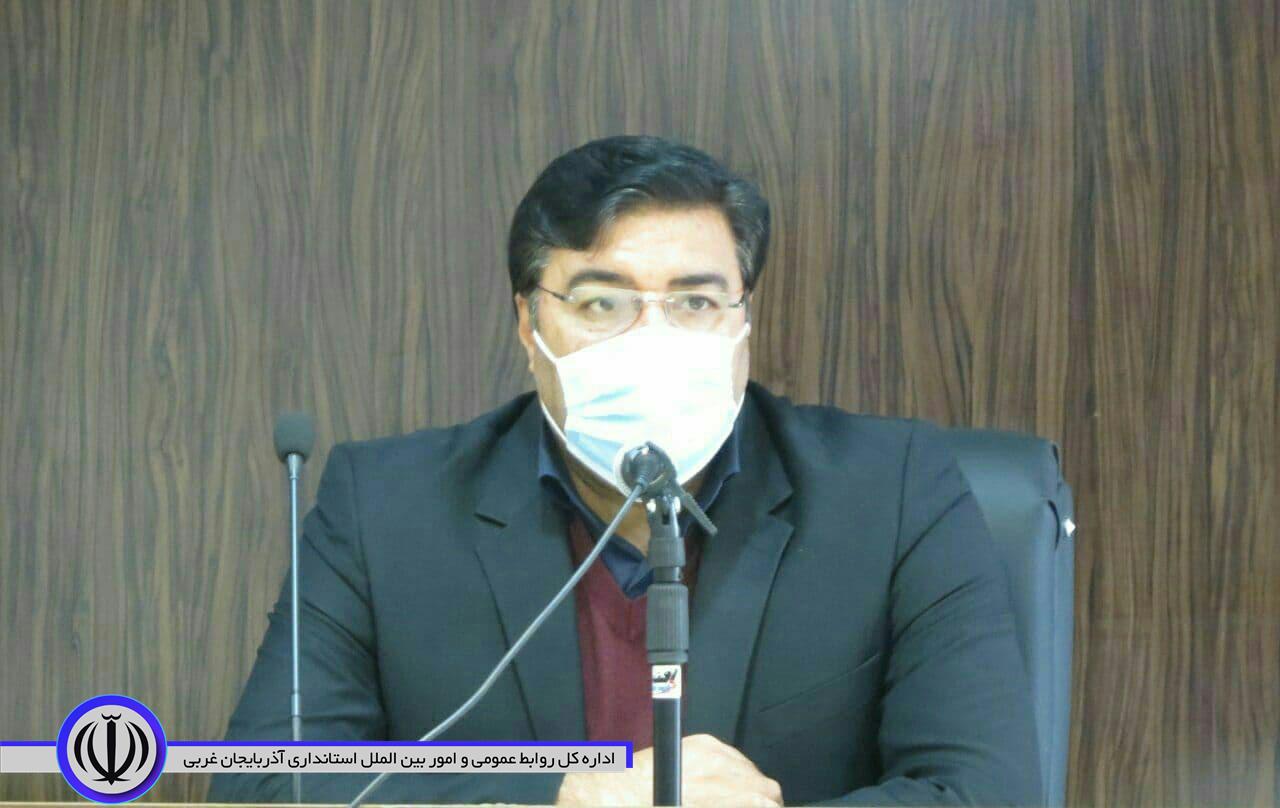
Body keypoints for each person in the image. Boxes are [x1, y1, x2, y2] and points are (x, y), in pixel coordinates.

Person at [209, 135, 1041, 806]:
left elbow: (990, 792)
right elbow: (261, 782)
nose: (653, 342)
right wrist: (564, 795)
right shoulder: (387, 507)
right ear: (529, 325)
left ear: (742, 321)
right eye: (602, 303)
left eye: (694, 302)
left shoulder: (892, 492)